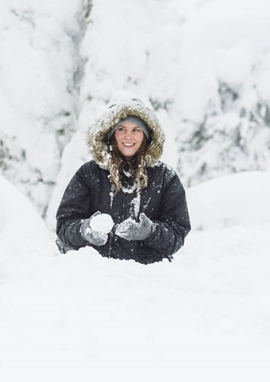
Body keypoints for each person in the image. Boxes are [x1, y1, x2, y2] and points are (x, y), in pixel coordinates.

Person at [55, 97, 191, 264]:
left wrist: (150, 232)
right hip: (95, 273)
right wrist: (85, 230)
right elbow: (64, 225)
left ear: (146, 136)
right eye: (121, 129)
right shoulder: (89, 173)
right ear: (111, 134)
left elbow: (178, 233)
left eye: (136, 130)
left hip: (148, 277)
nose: (128, 136)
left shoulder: (165, 177)